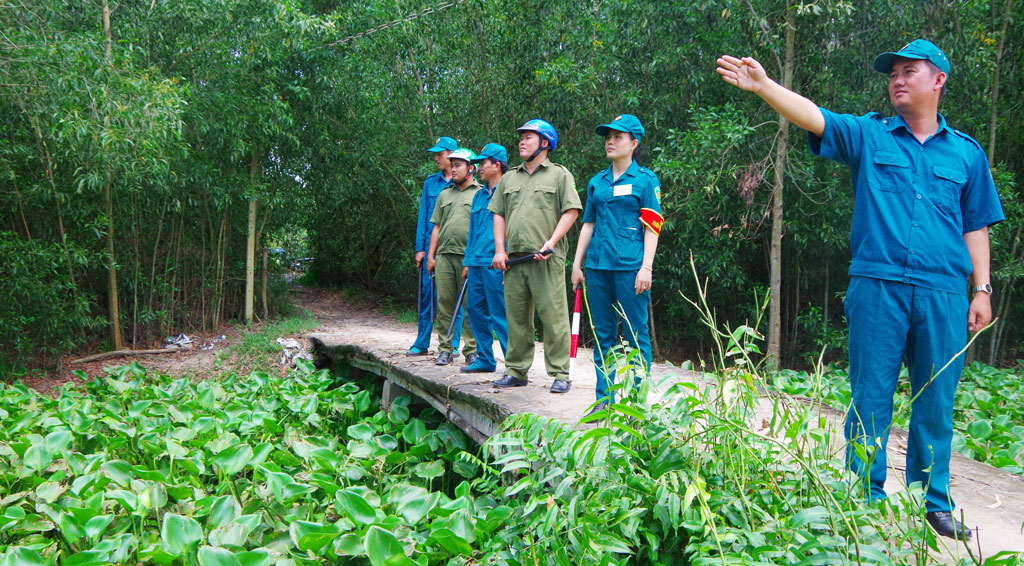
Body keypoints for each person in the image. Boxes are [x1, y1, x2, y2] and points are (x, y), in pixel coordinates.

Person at [716, 39, 1004, 540]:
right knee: (870, 395)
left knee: (936, 400)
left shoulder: (966, 154)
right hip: (878, 286)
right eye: (891, 73)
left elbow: (975, 225)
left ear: (938, 80)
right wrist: (764, 87)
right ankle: (862, 497)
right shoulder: (872, 136)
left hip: (943, 293)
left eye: (908, 71)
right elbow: (816, 117)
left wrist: (981, 289)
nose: (896, 79)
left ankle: (931, 501)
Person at [571, 114, 663, 417]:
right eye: (608, 136)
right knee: (603, 336)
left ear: (633, 143)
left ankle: (637, 403)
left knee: (636, 335)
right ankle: (604, 402)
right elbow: (588, 224)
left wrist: (646, 267)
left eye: (618, 137)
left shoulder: (645, 180)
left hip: (630, 268)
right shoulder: (597, 182)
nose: (610, 141)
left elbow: (652, 227)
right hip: (597, 267)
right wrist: (576, 264)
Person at [489, 119, 582, 393]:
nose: (521, 141)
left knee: (553, 318)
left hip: (546, 259)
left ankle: (560, 373)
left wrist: (551, 242)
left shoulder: (559, 175)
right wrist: (499, 250)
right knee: (516, 318)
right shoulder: (509, 178)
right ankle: (516, 370)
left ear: (545, 143)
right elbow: (498, 214)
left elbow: (572, 211)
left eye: (528, 137)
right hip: (514, 261)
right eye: (521, 137)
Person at [409, 136, 468, 358]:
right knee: (427, 296)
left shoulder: (462, 182)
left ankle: (452, 344)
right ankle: (421, 341)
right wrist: (420, 249)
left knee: (455, 300)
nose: (436, 158)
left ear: (451, 155)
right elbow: (424, 217)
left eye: (440, 154)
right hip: (431, 251)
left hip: (455, 250)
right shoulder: (430, 183)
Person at [460, 143, 511, 373]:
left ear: (497, 165)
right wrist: (467, 263)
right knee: (476, 312)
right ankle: (485, 359)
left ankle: (514, 364)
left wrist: (507, 260)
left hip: (496, 263)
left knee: (501, 314)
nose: (478, 167)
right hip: (477, 263)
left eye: (483, 162)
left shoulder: (509, 192)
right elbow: (472, 231)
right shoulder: (479, 196)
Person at [427, 148, 479, 366]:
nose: (453, 168)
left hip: (468, 258)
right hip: (445, 257)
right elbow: (436, 227)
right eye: (452, 164)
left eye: (458, 165)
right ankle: (445, 349)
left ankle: (472, 351)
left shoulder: (480, 193)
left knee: (471, 306)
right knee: (445, 304)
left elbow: (481, 229)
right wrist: (431, 256)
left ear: (471, 168)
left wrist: (472, 258)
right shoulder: (444, 194)